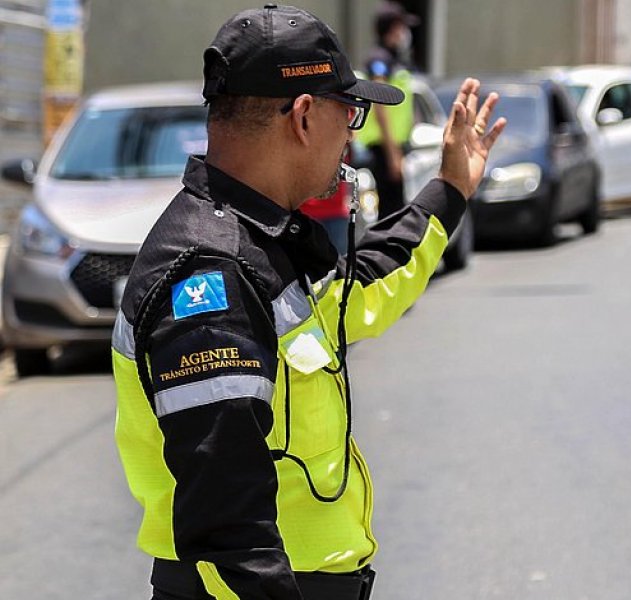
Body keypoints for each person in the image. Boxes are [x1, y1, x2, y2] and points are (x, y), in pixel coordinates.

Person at [110, 5, 506, 599]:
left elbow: (364, 289)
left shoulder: (260, 240)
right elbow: (230, 531)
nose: (351, 136)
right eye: (348, 114)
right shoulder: (212, 274)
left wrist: (449, 191)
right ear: (302, 116)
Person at [357, 4, 420, 217]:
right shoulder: (379, 59)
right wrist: (392, 153)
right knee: (390, 212)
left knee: (396, 207)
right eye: (402, 27)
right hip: (382, 148)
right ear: (392, 28)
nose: (405, 33)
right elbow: (380, 105)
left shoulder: (392, 59)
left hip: (391, 146)